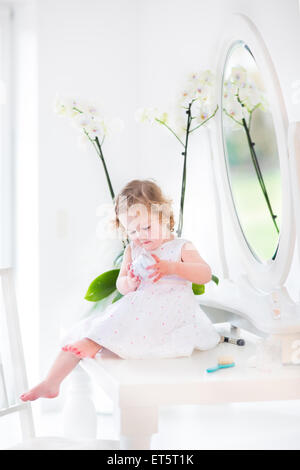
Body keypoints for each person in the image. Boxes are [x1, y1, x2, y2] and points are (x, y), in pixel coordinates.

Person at [20, 179, 221, 402]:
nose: (140, 236)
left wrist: (173, 267)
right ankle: (51, 382)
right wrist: (130, 283)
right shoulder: (133, 250)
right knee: (87, 329)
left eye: (146, 227)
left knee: (110, 330)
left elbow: (204, 273)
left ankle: (94, 343)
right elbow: (121, 285)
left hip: (170, 312)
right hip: (138, 308)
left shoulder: (181, 247)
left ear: (164, 217)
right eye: (132, 231)